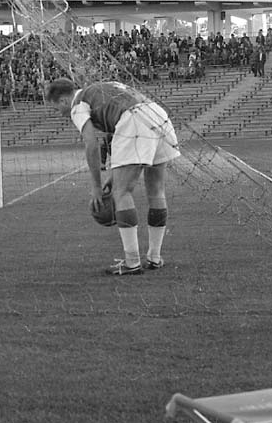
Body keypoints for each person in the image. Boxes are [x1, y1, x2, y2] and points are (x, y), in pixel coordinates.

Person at [45, 77, 180, 275]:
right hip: (157, 114)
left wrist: (97, 187)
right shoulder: (100, 88)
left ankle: (132, 262)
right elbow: (114, 130)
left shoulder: (77, 104)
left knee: (122, 193)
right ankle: (154, 257)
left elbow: (91, 145)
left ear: (64, 101)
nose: (60, 114)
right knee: (156, 190)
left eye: (57, 108)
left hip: (133, 120)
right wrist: (114, 174)